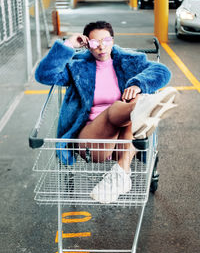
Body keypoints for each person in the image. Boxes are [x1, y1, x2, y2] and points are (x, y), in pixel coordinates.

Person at [35, 21, 178, 203]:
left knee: (134, 97)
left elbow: (162, 71)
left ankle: (120, 173)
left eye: (106, 40)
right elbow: (44, 75)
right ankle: (145, 108)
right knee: (124, 107)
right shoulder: (77, 66)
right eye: (95, 43)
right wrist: (69, 45)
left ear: (113, 40)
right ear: (87, 44)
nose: (101, 46)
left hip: (123, 143)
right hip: (93, 141)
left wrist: (138, 84)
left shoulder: (130, 61)